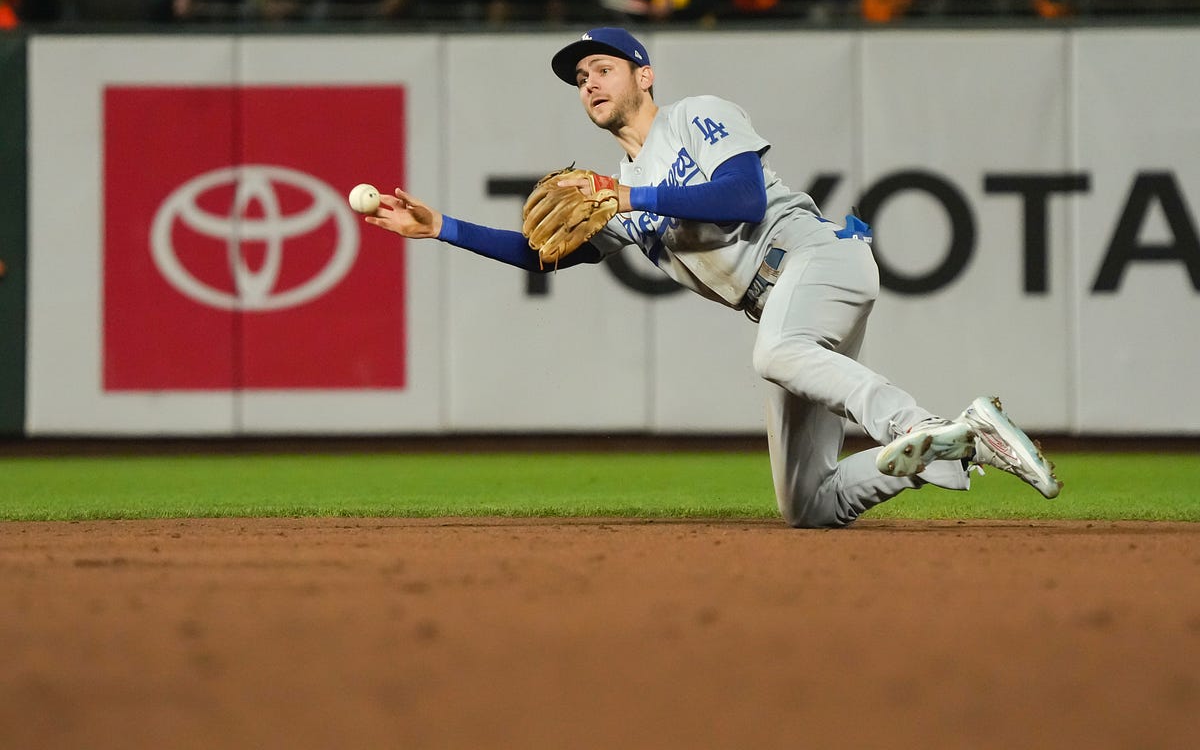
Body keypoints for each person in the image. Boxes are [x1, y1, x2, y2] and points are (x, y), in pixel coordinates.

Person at [362, 26, 1062, 528]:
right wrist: (439, 228)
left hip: (817, 259)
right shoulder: (617, 188)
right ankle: (954, 443)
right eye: (580, 79)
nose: (589, 83)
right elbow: (542, 253)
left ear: (644, 75)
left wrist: (628, 197)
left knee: (775, 354)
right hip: (787, 307)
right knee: (808, 505)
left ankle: (921, 423)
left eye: (601, 67)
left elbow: (742, 200)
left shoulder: (697, 117)